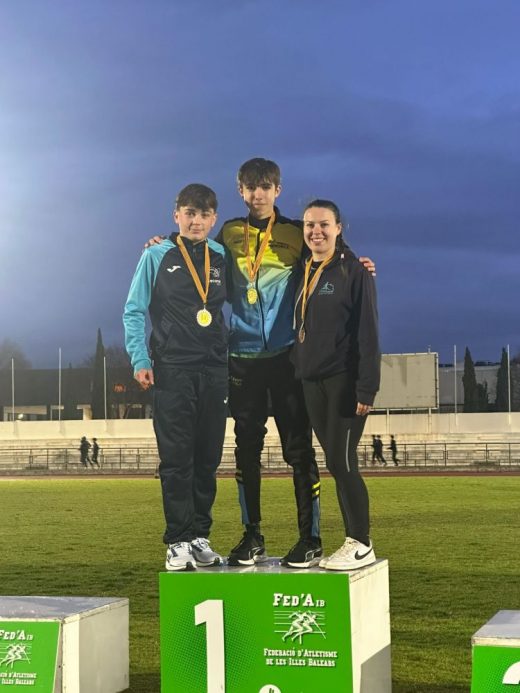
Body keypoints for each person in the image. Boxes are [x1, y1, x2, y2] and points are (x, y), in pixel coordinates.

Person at [146, 158, 375, 569]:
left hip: (287, 358)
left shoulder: (294, 231)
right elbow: (194, 250)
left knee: (299, 451)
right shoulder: (229, 233)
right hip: (242, 357)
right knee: (245, 451)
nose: (258, 194)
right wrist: (160, 241)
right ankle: (251, 536)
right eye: (250, 187)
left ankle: (311, 538)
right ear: (240, 191)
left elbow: (329, 250)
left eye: (265, 186)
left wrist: (358, 261)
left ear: (277, 190)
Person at [124, 183, 228, 572]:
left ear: (213, 218)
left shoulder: (221, 256)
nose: (196, 221)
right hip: (173, 370)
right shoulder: (156, 255)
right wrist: (139, 358)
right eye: (189, 213)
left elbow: (247, 298)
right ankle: (177, 540)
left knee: (208, 457)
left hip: (214, 368)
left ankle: (200, 536)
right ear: (176, 215)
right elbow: (133, 310)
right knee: (176, 459)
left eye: (204, 215)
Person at [291, 199, 380, 571]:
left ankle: (361, 541)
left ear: (339, 227)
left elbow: (368, 332)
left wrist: (366, 388)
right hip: (311, 380)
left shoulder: (353, 271)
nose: (316, 231)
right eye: (310, 225)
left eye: (324, 224)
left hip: (344, 380)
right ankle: (352, 541)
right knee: (333, 461)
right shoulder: (302, 268)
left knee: (343, 462)